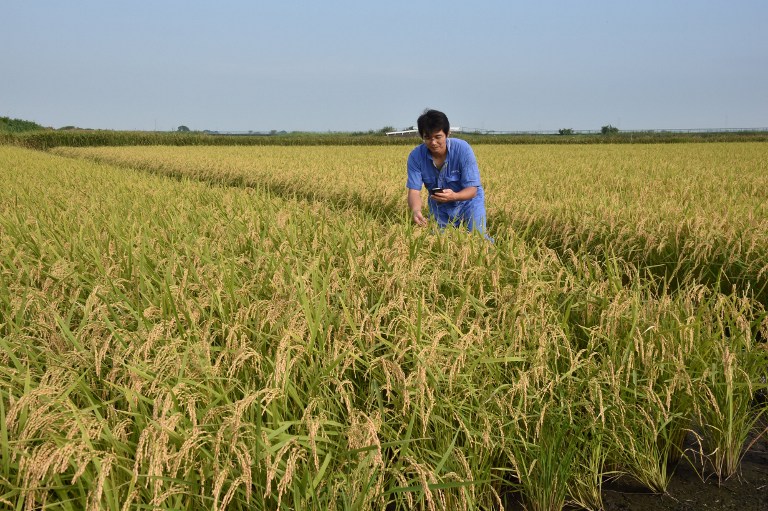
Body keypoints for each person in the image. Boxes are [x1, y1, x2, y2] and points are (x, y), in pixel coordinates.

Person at [406, 109, 489, 237]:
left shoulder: (462, 149)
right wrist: (416, 210)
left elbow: (472, 190)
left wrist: (454, 196)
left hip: (469, 203)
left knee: (479, 239)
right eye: (427, 138)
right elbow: (414, 191)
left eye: (438, 137)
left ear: (447, 133)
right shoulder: (416, 156)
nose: (433, 142)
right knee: (441, 242)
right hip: (439, 206)